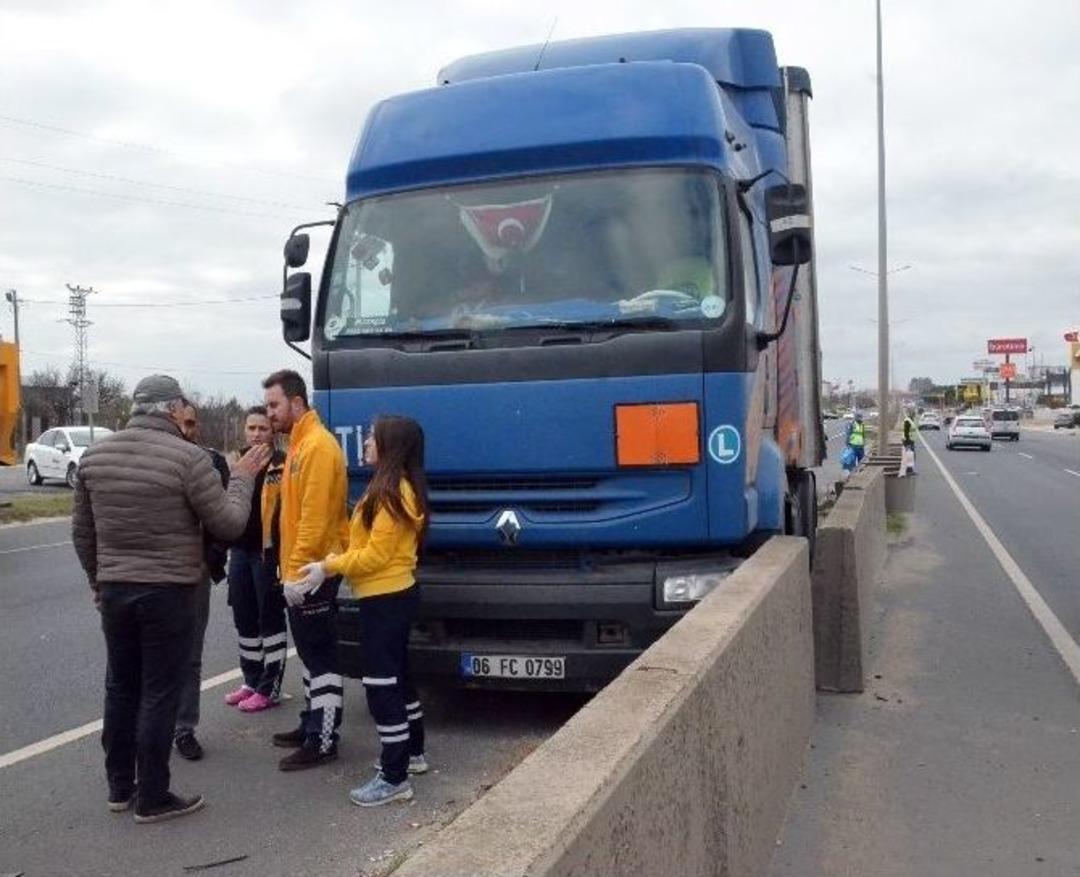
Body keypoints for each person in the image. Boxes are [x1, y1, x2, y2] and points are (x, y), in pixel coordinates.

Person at [72, 374, 269, 824]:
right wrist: (241, 480)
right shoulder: (189, 458)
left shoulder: (95, 456)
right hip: (169, 591)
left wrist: (98, 582)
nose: (187, 414)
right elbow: (228, 525)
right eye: (184, 407)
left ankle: (120, 787)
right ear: (172, 407)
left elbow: (83, 532)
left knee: (121, 687)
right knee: (161, 692)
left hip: (117, 590)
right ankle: (153, 795)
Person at [295, 415, 429, 807]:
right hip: (391, 596)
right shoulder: (389, 489)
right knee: (399, 680)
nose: (365, 442)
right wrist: (336, 559)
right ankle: (412, 755)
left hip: (385, 600)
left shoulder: (390, 494)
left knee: (382, 687)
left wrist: (328, 566)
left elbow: (375, 556)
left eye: (372, 437)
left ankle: (394, 777)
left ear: (389, 446)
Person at [262, 369, 349, 771]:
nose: (270, 413)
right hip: (300, 573)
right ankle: (311, 724)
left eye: (274, 405)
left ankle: (324, 739)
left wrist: (296, 574)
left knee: (322, 658)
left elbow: (313, 522)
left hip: (314, 573)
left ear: (297, 404)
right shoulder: (300, 445)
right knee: (311, 656)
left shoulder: (318, 447)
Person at [173, 401, 230, 761]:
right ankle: (147, 729)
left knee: (190, 655)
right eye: (181, 423)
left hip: (195, 574)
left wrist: (212, 558)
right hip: (155, 575)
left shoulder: (211, 463)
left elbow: (225, 517)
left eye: (192, 423)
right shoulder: (150, 459)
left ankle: (184, 728)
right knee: (148, 658)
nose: (187, 430)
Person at [223, 406, 289, 712]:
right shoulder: (235, 462)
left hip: (268, 553)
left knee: (269, 618)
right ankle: (250, 680)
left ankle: (269, 687)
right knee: (244, 618)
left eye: (263, 428)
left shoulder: (283, 464)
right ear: (244, 431)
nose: (256, 434)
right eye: (251, 428)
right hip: (239, 549)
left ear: (272, 433)